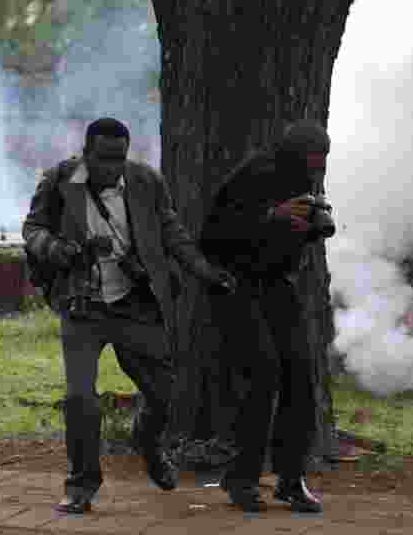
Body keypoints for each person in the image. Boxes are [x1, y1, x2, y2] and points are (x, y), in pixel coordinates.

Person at [22, 118, 236, 515]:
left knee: (165, 394)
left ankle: (148, 443)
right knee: (80, 398)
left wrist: (205, 273)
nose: (111, 168)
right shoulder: (59, 181)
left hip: (135, 303)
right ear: (87, 152)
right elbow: (32, 230)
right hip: (82, 304)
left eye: (118, 158)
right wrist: (63, 250)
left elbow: (174, 234)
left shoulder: (146, 182)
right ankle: (81, 485)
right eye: (103, 158)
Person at [200, 119, 336, 514]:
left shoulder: (306, 183)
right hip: (236, 285)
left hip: (276, 285)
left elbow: (294, 237)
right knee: (262, 374)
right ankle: (240, 478)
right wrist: (271, 217)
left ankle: (291, 480)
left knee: (301, 376)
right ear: (293, 152)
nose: (317, 167)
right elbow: (212, 236)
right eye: (312, 158)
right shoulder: (254, 175)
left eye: (322, 160)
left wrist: (310, 224)